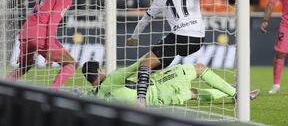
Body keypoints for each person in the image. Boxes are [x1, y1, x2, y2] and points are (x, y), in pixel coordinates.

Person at [126, 0, 232, 106]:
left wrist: (134, 37)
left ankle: (140, 100)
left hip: (179, 37)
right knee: (159, 65)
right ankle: (234, 92)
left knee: (145, 65)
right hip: (197, 39)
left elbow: (146, 18)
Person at [7, 0, 86, 90]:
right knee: (71, 64)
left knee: (24, 67)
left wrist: (22, 49)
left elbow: (34, 13)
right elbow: (52, 22)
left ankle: (4, 85)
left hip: (26, 33)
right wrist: (49, 48)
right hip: (41, 35)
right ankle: (52, 94)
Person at [82, 60, 260, 106]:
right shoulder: (113, 78)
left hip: (161, 101)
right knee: (199, 68)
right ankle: (239, 94)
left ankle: (235, 91)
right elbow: (138, 65)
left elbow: (80, 95)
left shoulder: (94, 96)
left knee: (193, 94)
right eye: (101, 68)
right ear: (99, 71)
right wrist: (157, 54)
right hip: (160, 84)